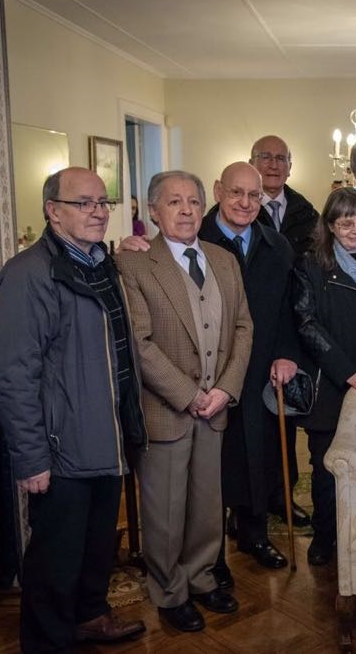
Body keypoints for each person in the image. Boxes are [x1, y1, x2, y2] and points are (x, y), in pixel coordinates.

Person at [0, 167, 147, 652]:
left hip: (109, 434)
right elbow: (11, 373)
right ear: (53, 211)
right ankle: (49, 641)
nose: (98, 211)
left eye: (103, 202)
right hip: (61, 446)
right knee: (56, 556)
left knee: (97, 544)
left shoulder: (103, 263)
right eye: (85, 203)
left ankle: (90, 616)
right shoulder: (28, 274)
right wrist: (32, 456)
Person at [115, 170, 253, 633]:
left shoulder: (223, 259)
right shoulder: (133, 265)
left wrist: (225, 390)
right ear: (153, 211)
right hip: (167, 409)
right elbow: (140, 341)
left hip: (215, 407)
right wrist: (189, 395)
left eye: (193, 201)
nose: (187, 210)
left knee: (206, 506)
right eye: (174, 202)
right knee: (166, 512)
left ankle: (200, 576)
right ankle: (170, 592)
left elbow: (242, 328)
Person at [200, 161, 305, 571]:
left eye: (254, 196)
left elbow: (288, 309)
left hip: (262, 365)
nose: (245, 203)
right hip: (210, 371)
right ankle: (211, 553)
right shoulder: (196, 240)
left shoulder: (277, 245)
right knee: (218, 460)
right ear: (217, 191)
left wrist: (287, 352)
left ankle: (254, 534)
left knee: (259, 454)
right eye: (236, 193)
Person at [291, 188, 356, 566]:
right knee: (326, 467)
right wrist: (346, 371)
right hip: (330, 382)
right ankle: (325, 535)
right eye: (345, 222)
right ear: (331, 226)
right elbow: (306, 323)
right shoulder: (311, 266)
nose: (354, 229)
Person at [251, 135, 319, 256]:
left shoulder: (307, 213)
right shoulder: (239, 211)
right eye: (266, 157)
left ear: (289, 168)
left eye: (281, 158)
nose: (274, 165)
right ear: (251, 164)